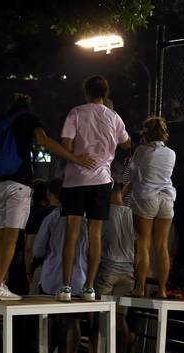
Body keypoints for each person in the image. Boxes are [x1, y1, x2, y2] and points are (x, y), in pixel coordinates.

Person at [0, 93, 96, 301]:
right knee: (12, 236)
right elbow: (44, 141)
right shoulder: (29, 119)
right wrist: (74, 158)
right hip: (18, 182)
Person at [59, 76, 130, 302]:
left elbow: (66, 144)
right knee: (95, 234)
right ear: (105, 93)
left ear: (86, 91)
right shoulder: (114, 116)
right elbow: (126, 143)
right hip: (101, 181)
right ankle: (90, 287)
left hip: (75, 180)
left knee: (71, 234)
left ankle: (66, 287)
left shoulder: (76, 113)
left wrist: (76, 155)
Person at [80, 182, 135, 353]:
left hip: (107, 269)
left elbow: (94, 245)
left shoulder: (102, 213)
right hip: (128, 271)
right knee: (120, 320)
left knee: (98, 319)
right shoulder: (131, 214)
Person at [33, 206, 88, 353]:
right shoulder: (87, 220)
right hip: (79, 278)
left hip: (52, 277)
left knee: (46, 321)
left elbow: (38, 249)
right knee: (73, 323)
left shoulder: (53, 218)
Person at [125, 116, 176, 298]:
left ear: (146, 133)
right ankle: (162, 290)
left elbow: (131, 173)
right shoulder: (171, 153)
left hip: (146, 198)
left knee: (143, 244)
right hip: (167, 198)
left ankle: (140, 288)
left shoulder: (141, 151)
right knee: (162, 246)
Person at [24, 178, 61, 293]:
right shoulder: (73, 218)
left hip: (42, 268)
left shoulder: (38, 215)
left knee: (36, 307)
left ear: (49, 194)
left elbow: (30, 248)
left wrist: (28, 271)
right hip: (68, 271)